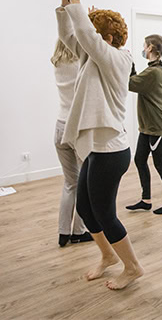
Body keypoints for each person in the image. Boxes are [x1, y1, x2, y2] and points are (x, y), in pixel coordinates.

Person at [57, 0, 143, 290]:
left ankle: (132, 267)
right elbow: (71, 38)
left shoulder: (118, 59)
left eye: (95, 34)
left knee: (106, 214)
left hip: (112, 152)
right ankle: (108, 256)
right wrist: (65, 6)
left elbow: (87, 37)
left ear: (106, 37)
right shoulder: (93, 59)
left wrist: (77, 2)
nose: (89, 39)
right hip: (97, 150)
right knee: (85, 209)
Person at [126, 34, 162, 214]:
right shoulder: (153, 69)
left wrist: (128, 64)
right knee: (140, 159)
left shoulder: (154, 72)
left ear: (150, 48)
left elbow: (131, 83)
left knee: (160, 164)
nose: (143, 48)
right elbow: (136, 82)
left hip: (156, 125)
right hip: (149, 125)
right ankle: (146, 200)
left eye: (144, 45)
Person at [51, 40, 93, 247]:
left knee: (70, 183)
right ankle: (78, 231)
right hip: (77, 129)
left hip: (60, 127)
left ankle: (63, 232)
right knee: (84, 184)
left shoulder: (57, 63)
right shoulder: (81, 64)